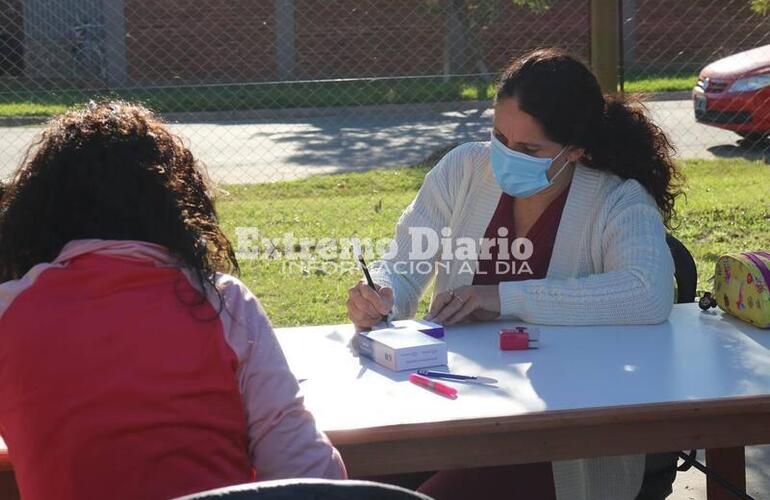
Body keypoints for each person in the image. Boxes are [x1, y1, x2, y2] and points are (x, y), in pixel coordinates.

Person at [346, 48, 682, 500]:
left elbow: (647, 293)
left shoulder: (616, 200)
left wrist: (501, 297)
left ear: (576, 150)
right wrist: (384, 292)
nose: (505, 157)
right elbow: (406, 261)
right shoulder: (464, 168)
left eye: (528, 149)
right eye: (499, 137)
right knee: (342, 480)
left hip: (562, 444)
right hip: (451, 414)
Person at [0, 101, 346, 500]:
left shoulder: (11, 312)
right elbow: (309, 473)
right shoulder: (224, 303)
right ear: (178, 205)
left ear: (36, 213)